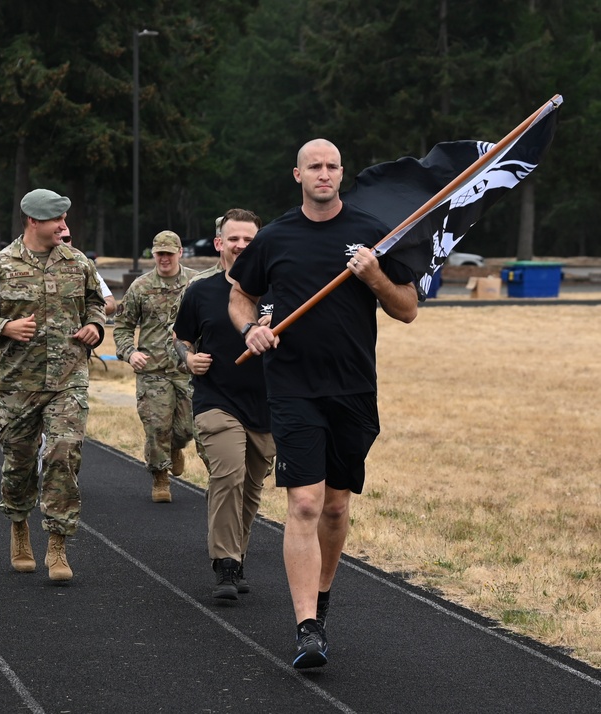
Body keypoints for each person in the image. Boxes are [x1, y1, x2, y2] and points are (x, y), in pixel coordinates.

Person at [229, 138, 418, 669]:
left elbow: (407, 309)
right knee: (305, 502)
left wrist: (374, 274)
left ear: (341, 174)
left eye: (333, 166)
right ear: (297, 175)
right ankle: (307, 626)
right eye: (314, 166)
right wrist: (249, 331)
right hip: (292, 387)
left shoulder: (371, 237)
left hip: (353, 389)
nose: (324, 174)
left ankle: (324, 594)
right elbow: (239, 294)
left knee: (336, 504)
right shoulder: (275, 236)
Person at [0, 189, 106, 582]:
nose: (63, 225)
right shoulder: (0, 266)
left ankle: (57, 543)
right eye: (56, 219)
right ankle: (19, 524)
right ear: (33, 222)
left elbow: (96, 303)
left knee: (63, 453)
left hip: (68, 379)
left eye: (64, 218)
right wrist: (3, 327)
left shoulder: (78, 263)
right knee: (20, 464)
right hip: (17, 383)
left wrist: (95, 326)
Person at [173, 208, 274, 602]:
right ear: (219, 244)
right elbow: (182, 337)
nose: (241, 245)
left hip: (266, 404)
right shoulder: (201, 291)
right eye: (234, 238)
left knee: (250, 488)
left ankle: (238, 553)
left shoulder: (277, 291)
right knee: (227, 475)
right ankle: (226, 563)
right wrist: (188, 358)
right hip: (216, 400)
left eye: (249, 239)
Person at [113, 230, 197, 503]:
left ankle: (176, 448)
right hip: (153, 371)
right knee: (156, 426)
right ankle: (160, 477)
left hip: (186, 369)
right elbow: (123, 327)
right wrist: (130, 352)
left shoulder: (195, 283)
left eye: (169, 254)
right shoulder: (140, 287)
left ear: (180, 253)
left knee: (187, 428)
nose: (163, 259)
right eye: (159, 253)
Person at [60, 227, 116, 316]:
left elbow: (111, 303)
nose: (62, 243)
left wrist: (85, 312)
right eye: (58, 239)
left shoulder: (84, 265)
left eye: (66, 239)